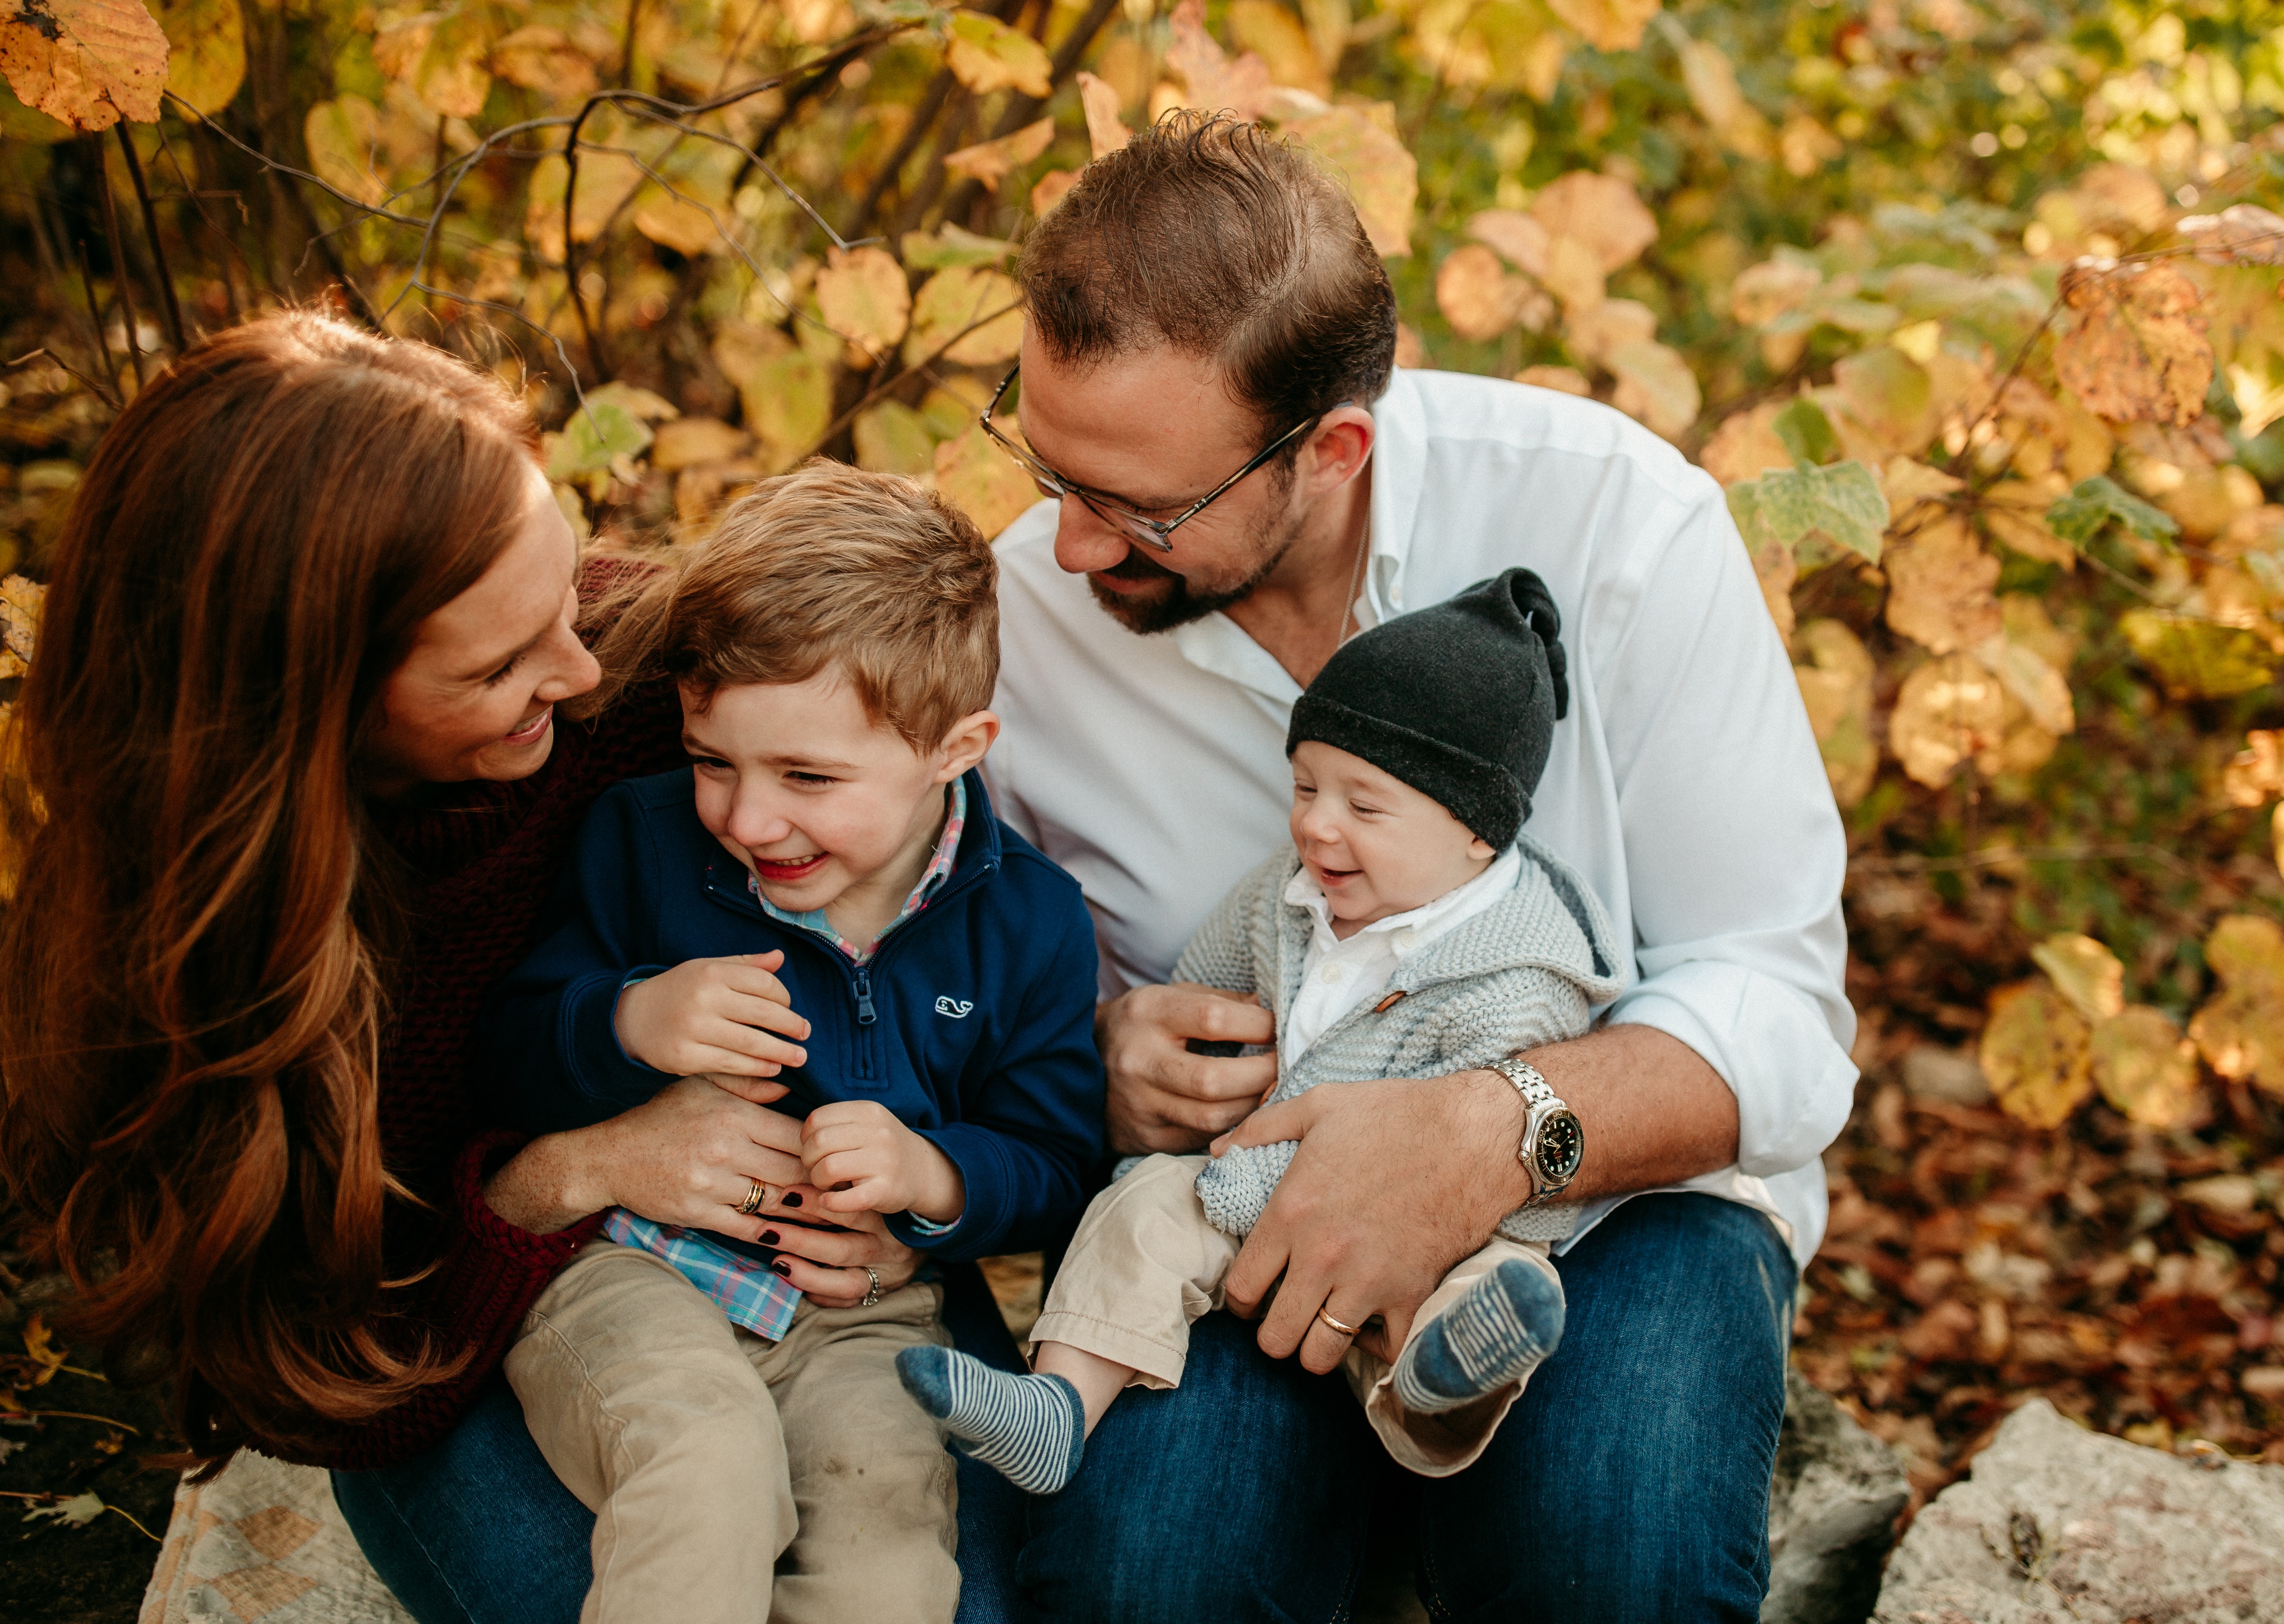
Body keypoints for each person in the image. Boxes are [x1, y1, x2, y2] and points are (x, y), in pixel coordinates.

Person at [970, 113, 1857, 1621]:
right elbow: (977, 984)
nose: (1066, 548)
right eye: (1044, 463)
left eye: (1139, 507)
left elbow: (1775, 1008)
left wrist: (1488, 1129)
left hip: (1617, 1204)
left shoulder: (1613, 522)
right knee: (1138, 1582)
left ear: (1331, 448)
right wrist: (1097, 1059)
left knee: (1607, 1568)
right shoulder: (1020, 622)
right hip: (1224, 1207)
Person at [0, 314, 1000, 1624]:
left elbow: (926, 850)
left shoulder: (658, 689)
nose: (580, 669)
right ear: (306, 698)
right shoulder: (177, 939)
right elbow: (296, 1356)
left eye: (566, 593)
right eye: (499, 664)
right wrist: (576, 1169)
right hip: (477, 1342)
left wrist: (927, 1170)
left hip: (816, 1291)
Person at [475, 462, 1103, 1623]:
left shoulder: (1028, 923)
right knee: (707, 1469)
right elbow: (506, 1053)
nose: (749, 819)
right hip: (626, 1271)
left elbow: (1057, 1160)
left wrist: (939, 1176)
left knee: (889, 1560)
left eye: (806, 777)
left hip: (859, 1313)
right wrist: (626, 1020)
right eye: (713, 761)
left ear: (956, 749)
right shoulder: (641, 843)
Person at [904, 567, 1641, 1495]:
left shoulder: (1519, 978)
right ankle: (1059, 1403)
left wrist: (1431, 1214)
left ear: (1477, 835)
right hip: (1241, 1178)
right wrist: (1171, 1081)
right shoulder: (1284, 899)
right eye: (1304, 787)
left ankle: (1436, 1375)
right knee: (1137, 1217)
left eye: (1363, 806)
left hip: (1410, 1214)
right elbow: (1203, 983)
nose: (1317, 827)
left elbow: (1488, 1150)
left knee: (1480, 1274)